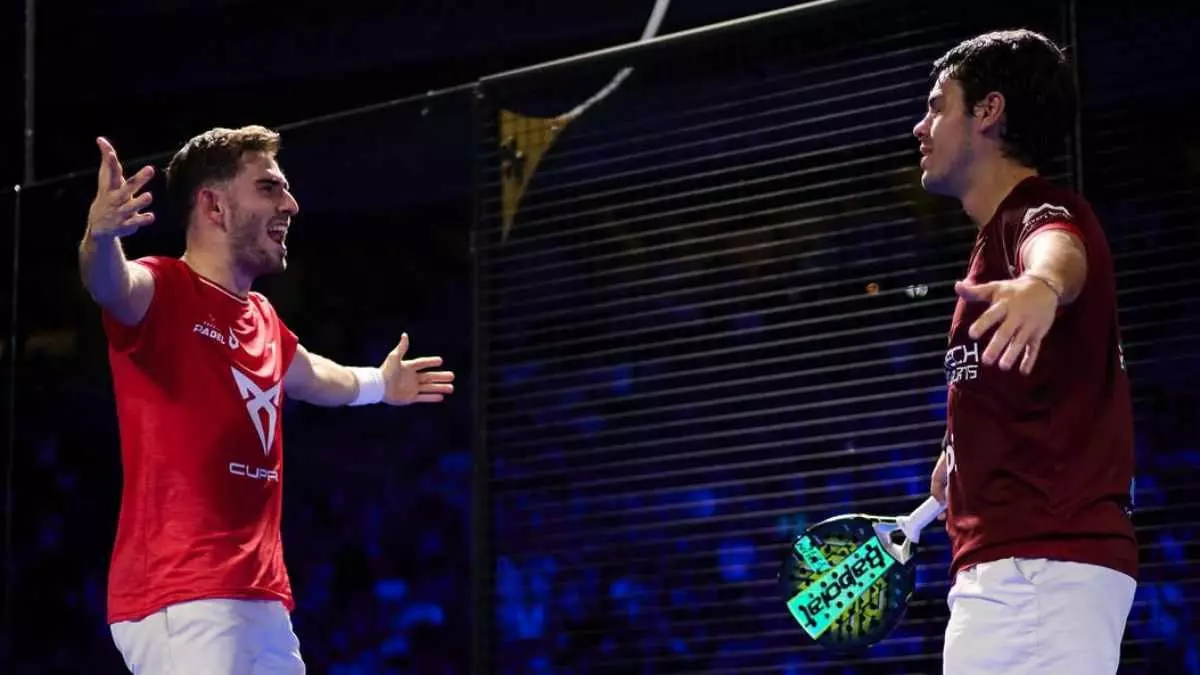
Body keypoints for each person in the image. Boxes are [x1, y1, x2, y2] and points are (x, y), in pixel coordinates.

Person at [78, 125, 456, 674]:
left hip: (261, 598)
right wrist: (100, 237)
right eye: (269, 188)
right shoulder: (163, 287)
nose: (291, 205)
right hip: (182, 592)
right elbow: (110, 284)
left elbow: (316, 375)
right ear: (214, 205)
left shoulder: (259, 316)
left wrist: (380, 384)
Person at [912, 30, 1138, 674]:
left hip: (1038, 571)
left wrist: (1042, 285)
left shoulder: (1038, 212)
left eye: (937, 107)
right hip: (1023, 573)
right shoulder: (992, 243)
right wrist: (960, 453)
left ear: (988, 111)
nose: (921, 127)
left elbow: (1058, 248)